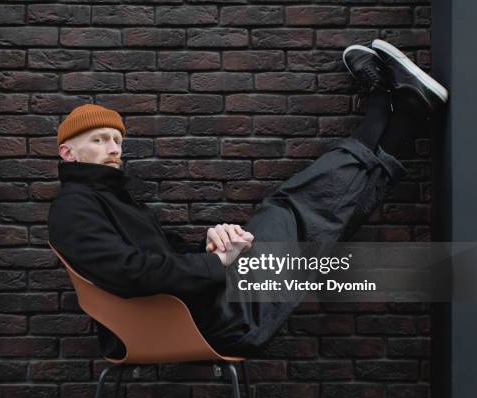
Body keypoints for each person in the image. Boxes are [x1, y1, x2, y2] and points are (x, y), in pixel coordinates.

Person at [47, 39, 448, 358]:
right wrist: (217, 263)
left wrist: (209, 245)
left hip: (201, 308)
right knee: (289, 209)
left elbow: (165, 258)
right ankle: (385, 102)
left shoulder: (113, 198)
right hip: (203, 319)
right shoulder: (73, 208)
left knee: (315, 224)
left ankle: (407, 111)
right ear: (68, 153)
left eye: (117, 140)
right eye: (99, 141)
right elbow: (130, 272)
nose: (113, 148)